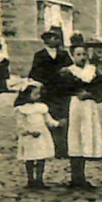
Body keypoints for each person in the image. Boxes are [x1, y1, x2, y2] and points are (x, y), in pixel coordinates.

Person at [61, 40, 102, 190]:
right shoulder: (68, 72)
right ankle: (75, 177)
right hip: (74, 108)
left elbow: (100, 91)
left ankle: (82, 178)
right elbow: (62, 91)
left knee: (86, 137)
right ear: (72, 56)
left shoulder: (93, 71)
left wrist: (89, 94)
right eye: (78, 54)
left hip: (89, 108)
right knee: (74, 138)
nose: (81, 57)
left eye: (84, 54)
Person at [27, 26, 73, 159]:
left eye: (57, 38)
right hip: (47, 92)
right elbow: (35, 73)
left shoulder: (63, 54)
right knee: (49, 119)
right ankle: (50, 148)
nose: (56, 40)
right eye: (53, 38)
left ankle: (62, 149)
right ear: (46, 40)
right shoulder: (40, 55)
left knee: (63, 119)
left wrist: (66, 71)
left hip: (62, 91)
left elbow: (71, 68)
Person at [14, 81, 62, 189]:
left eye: (39, 94)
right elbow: (20, 125)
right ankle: (31, 179)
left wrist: (58, 124)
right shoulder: (22, 110)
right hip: (29, 137)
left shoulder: (42, 107)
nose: (38, 96)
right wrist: (29, 132)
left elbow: (48, 120)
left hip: (41, 135)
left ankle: (39, 179)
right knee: (30, 158)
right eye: (35, 94)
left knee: (41, 157)